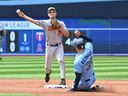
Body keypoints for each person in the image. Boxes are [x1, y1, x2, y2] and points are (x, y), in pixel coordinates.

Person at [17, 7, 69, 85]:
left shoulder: (61, 23)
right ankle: (48, 73)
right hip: (49, 47)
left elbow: (67, 34)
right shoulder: (45, 23)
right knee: (47, 67)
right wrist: (24, 16)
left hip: (59, 46)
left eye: (53, 11)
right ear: (48, 14)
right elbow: (34, 21)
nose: (52, 13)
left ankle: (63, 79)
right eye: (50, 12)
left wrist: (60, 28)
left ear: (56, 13)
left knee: (61, 60)